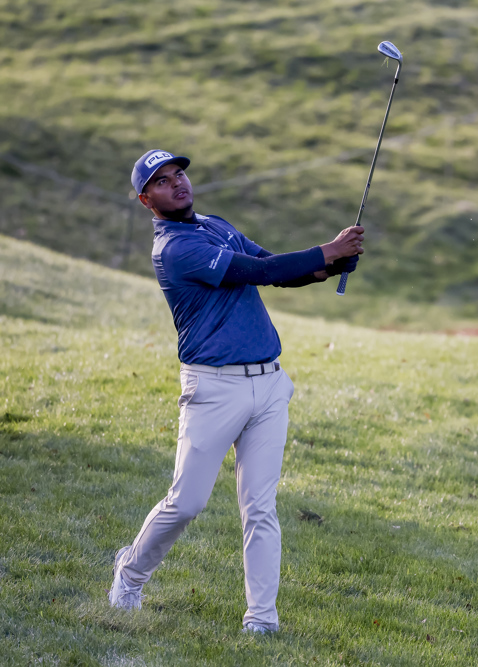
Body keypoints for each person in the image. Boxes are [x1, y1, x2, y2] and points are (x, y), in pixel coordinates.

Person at [107, 149, 364, 634]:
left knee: (260, 507)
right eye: (162, 181)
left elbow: (274, 268)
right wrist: (326, 251)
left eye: (179, 174)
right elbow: (256, 273)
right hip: (213, 389)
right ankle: (129, 573)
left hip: (268, 384)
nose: (177, 183)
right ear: (147, 200)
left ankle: (261, 620)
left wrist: (330, 266)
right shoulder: (174, 249)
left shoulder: (216, 225)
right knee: (187, 502)